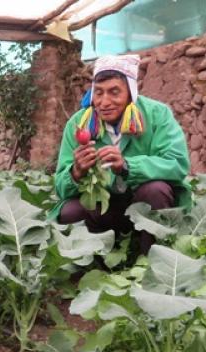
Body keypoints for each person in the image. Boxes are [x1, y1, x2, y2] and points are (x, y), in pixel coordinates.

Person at [50, 54, 191, 255]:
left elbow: (177, 164)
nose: (104, 102)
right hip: (104, 210)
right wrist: (75, 172)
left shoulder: (157, 115)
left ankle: (152, 260)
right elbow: (61, 188)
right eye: (98, 93)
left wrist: (127, 166)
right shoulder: (78, 124)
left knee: (155, 190)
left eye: (114, 92)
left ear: (131, 93)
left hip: (143, 204)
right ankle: (90, 265)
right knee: (70, 211)